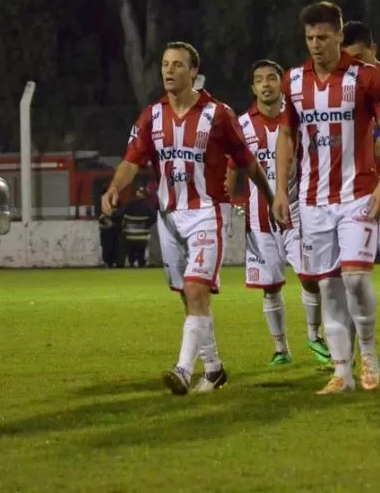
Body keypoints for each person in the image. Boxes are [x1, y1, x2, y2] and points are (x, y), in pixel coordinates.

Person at [102, 41, 275, 396]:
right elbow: (132, 160)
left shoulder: (218, 114)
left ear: (193, 72)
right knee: (187, 295)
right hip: (168, 216)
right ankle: (213, 369)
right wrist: (114, 188)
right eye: (165, 64)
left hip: (207, 213)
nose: (169, 70)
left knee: (196, 289)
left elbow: (247, 162)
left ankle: (182, 370)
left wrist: (272, 198)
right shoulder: (152, 115)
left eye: (178, 65)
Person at [274, 1, 380, 395]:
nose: (315, 44)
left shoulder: (365, 77)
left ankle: (369, 354)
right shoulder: (293, 81)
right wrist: (280, 190)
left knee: (356, 279)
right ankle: (342, 374)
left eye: (323, 37)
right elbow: (286, 136)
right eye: (309, 38)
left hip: (358, 195)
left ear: (340, 37)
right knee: (327, 287)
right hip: (313, 202)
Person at [226, 59, 332, 368]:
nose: (266, 84)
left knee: (310, 277)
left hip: (299, 212)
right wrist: (226, 200)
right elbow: (233, 167)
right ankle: (281, 349)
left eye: (272, 78)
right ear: (253, 87)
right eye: (259, 80)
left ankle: (315, 335)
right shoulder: (242, 125)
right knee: (269, 285)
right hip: (259, 219)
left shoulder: (298, 119)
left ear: (281, 84)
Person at [341, 21, 380, 270]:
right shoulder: (343, 83)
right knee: (348, 270)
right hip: (354, 186)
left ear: (373, 49)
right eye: (347, 59)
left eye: (359, 57)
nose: (353, 64)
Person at [122, 186, 156, 268]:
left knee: (131, 253)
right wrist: (147, 225)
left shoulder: (129, 205)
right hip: (142, 236)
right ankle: (141, 264)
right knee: (141, 253)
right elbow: (154, 217)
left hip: (130, 236)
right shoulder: (147, 206)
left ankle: (132, 263)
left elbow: (120, 214)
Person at [97, 185, 122, 268]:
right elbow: (109, 213)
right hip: (107, 229)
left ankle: (112, 262)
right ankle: (108, 262)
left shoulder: (115, 201)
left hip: (113, 228)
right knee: (108, 246)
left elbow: (117, 213)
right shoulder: (101, 202)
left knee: (114, 246)